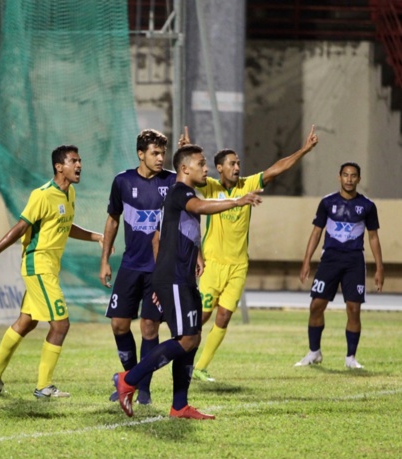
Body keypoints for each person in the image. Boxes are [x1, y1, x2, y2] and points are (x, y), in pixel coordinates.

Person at [115, 144, 262, 419]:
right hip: (173, 278)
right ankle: (128, 380)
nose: (206, 169)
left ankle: (179, 406)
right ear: (185, 169)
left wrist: (196, 256)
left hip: (181, 277)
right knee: (186, 339)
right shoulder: (181, 192)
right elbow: (202, 207)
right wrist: (237, 200)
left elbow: (159, 238)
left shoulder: (182, 193)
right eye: (202, 164)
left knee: (192, 339)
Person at [185, 126, 319, 382]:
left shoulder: (248, 184)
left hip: (238, 266)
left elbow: (277, 168)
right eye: (232, 164)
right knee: (201, 317)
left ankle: (200, 367)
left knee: (223, 317)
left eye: (238, 163)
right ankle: (181, 358)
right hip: (213, 265)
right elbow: (186, 176)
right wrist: (187, 149)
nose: (237, 167)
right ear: (220, 168)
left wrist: (303, 150)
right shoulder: (210, 188)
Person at [0, 145, 104, 399]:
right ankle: (44, 386)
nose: (79, 165)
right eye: (74, 161)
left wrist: (95, 236)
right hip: (38, 265)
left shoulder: (70, 193)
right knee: (61, 325)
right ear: (59, 166)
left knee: (27, 322)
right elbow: (20, 228)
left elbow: (65, 225)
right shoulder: (42, 195)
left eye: (80, 160)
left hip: (48, 268)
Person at [99, 129, 175, 405]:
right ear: (140, 154)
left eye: (163, 153)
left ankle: (143, 388)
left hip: (158, 269)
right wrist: (105, 260)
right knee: (119, 324)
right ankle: (128, 380)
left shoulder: (173, 181)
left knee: (149, 328)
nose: (160, 158)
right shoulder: (122, 181)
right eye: (155, 153)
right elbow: (112, 220)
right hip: (130, 265)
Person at [295, 162, 383, 369]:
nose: (349, 179)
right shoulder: (327, 202)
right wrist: (306, 260)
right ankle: (314, 352)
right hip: (330, 260)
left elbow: (373, 237)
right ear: (339, 177)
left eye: (353, 176)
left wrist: (380, 267)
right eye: (346, 175)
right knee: (316, 305)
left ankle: (350, 358)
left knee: (353, 308)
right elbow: (316, 232)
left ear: (359, 179)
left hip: (354, 261)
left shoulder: (367, 206)